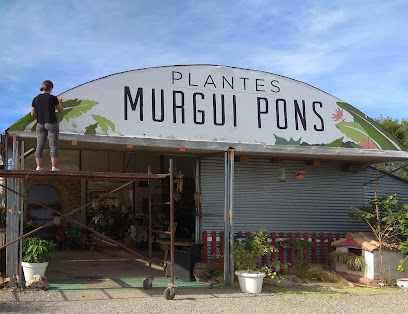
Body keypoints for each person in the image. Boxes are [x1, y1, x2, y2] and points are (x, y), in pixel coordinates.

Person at [31, 80, 63, 171]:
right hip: (51, 123)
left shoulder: (35, 99)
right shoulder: (53, 98)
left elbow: (32, 113)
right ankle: (54, 167)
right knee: (53, 145)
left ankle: (38, 167)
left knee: (39, 145)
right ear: (51, 88)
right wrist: (60, 101)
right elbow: (60, 110)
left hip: (40, 124)